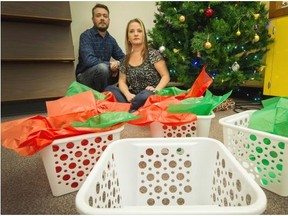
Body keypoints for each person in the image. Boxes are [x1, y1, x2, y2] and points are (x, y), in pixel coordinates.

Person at [105, 18, 170, 112]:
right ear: (128, 37)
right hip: (133, 97)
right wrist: (127, 94)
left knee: (144, 96)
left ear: (143, 35)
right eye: (132, 31)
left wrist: (156, 90)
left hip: (149, 95)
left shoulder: (153, 54)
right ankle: (133, 109)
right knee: (109, 89)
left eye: (139, 31)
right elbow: (122, 82)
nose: (136, 34)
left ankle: (130, 110)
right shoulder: (125, 59)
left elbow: (166, 76)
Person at [76, 3, 125, 92]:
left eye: (105, 16)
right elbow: (88, 60)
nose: (102, 18)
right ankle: (101, 99)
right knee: (102, 68)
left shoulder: (111, 40)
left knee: (126, 70)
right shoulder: (86, 36)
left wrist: (118, 65)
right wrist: (110, 65)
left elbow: (124, 59)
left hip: (104, 75)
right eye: (98, 16)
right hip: (85, 78)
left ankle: (121, 95)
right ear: (93, 19)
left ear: (108, 20)